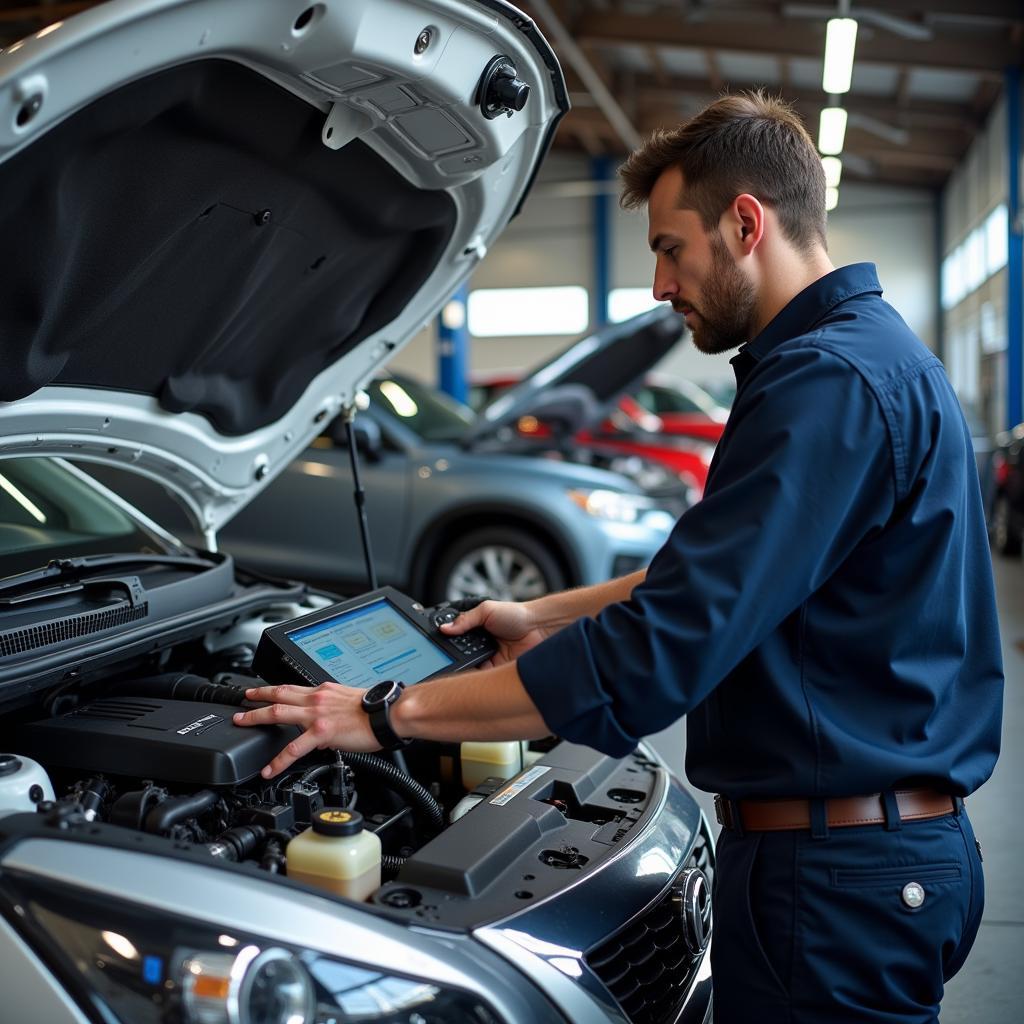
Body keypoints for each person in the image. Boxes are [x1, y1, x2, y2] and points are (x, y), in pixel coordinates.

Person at [234, 92, 1003, 1023]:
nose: (658, 284)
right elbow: (735, 579)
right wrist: (542, 615)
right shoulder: (869, 360)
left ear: (746, 224)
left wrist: (388, 714)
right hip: (870, 861)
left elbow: (654, 657)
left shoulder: (826, 384)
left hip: (838, 881)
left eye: (670, 247)